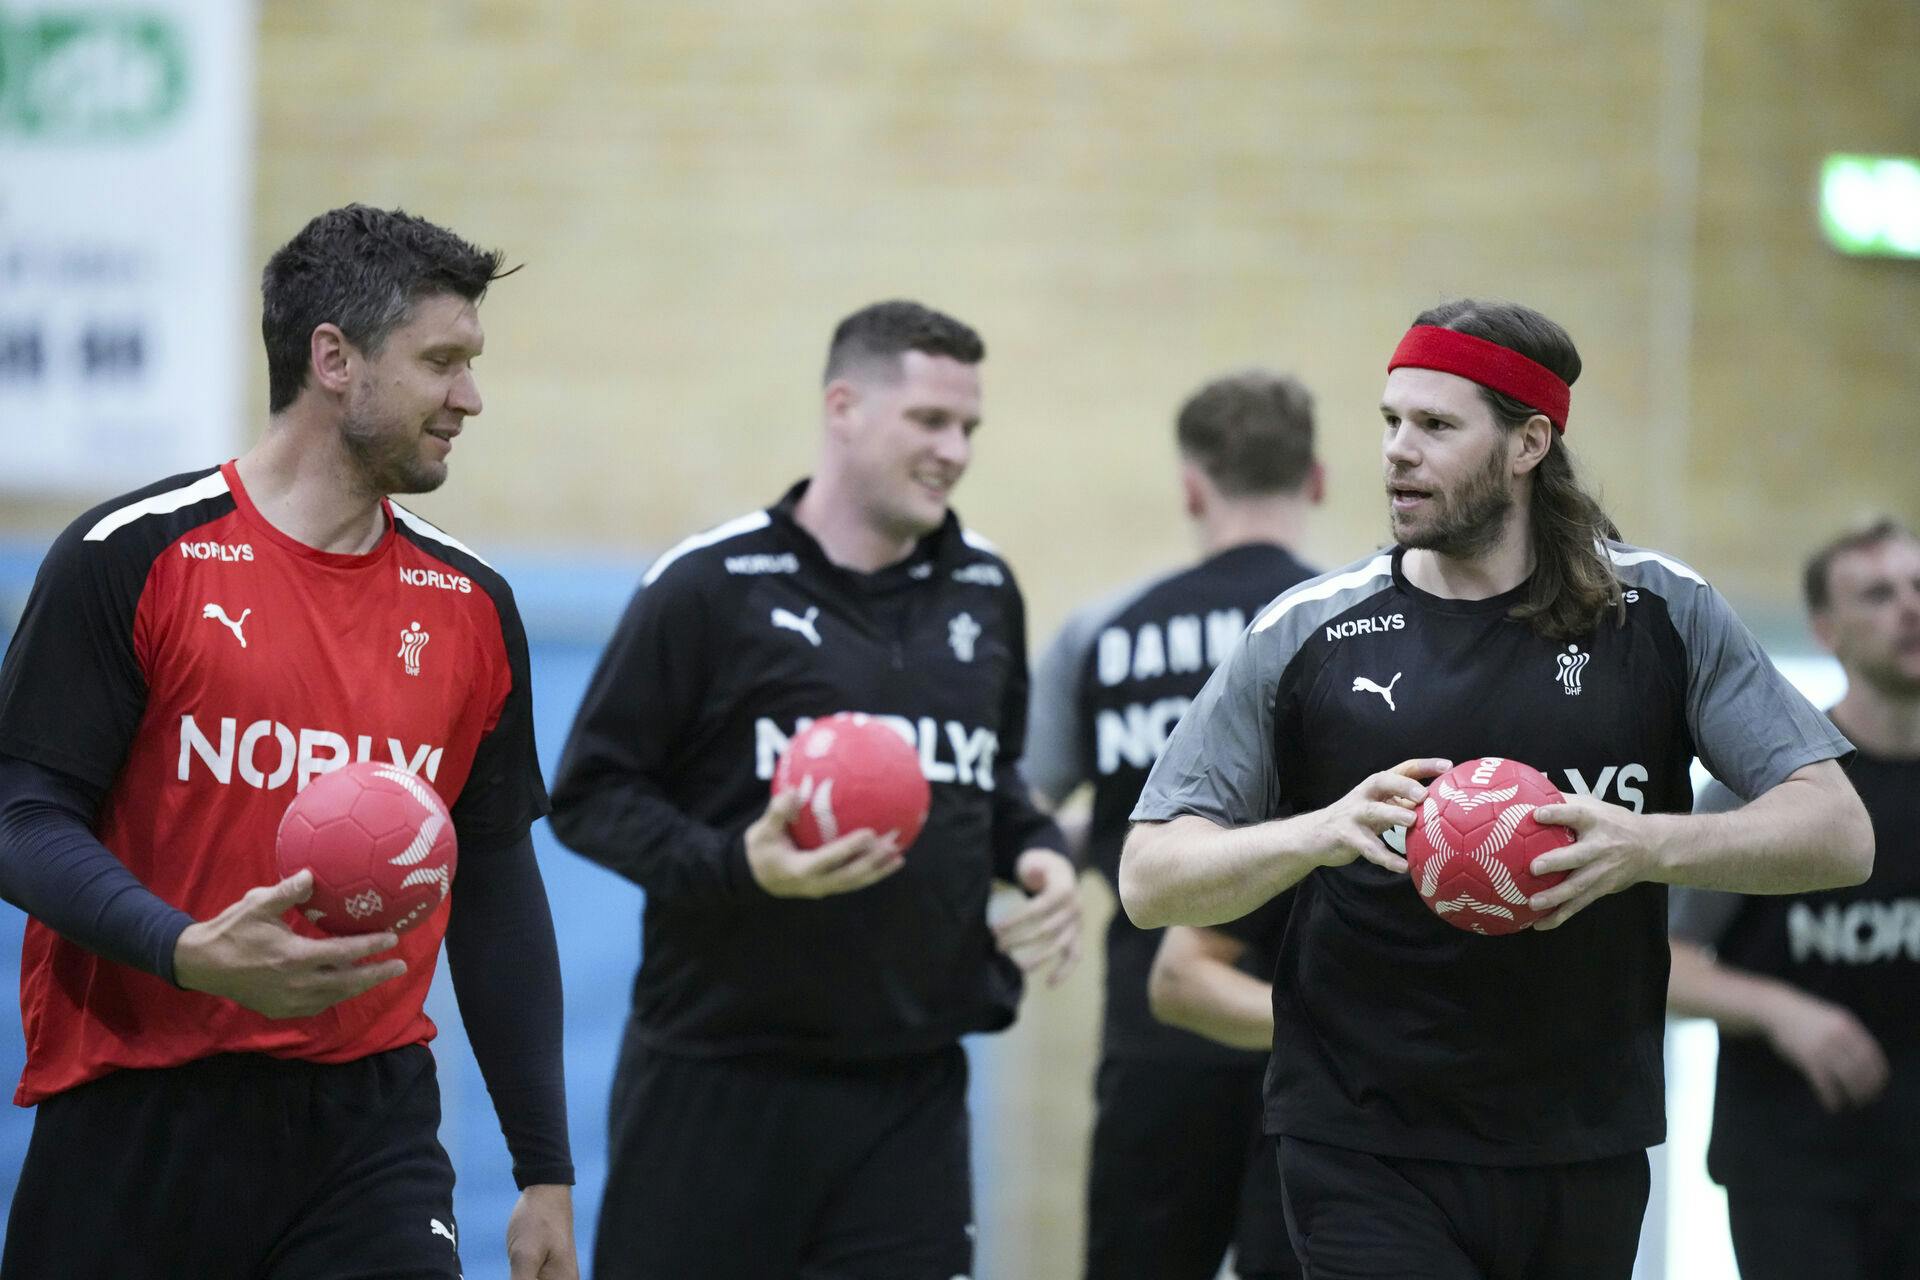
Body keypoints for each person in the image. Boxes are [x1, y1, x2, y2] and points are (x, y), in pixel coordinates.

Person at [1120, 298, 1874, 1280]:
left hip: (1581, 1137)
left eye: (1435, 426)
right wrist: (1320, 830)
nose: (1397, 450)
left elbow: (1837, 827)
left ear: (1528, 442)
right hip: (1362, 1139)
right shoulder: (1306, 633)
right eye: (1390, 421)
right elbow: (1151, 877)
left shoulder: (1660, 614)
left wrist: (1646, 844)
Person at [0, 206, 575, 1278]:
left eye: (473, 362)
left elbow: (493, 878)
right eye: (441, 361)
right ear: (333, 358)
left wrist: (545, 1168)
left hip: (370, 1129)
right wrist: (187, 947)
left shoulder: (473, 606)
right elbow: (22, 817)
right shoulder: (133, 555)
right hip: (136, 1111)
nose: (470, 397)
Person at [549, 299, 1080, 1280]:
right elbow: (589, 793)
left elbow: (988, 774)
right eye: (929, 420)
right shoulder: (710, 584)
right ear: (843, 406)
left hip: (910, 1086)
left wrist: (1039, 845)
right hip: (716, 1080)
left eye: (968, 427)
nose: (955, 450)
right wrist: (732, 865)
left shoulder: (985, 585)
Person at [1025, 369, 1318, 1280]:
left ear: (1192, 486)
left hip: (1155, 1036)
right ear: (1317, 479)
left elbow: (1029, 813)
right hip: (1317, 1037)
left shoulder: (1105, 632)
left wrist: (1090, 850)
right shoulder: (1354, 623)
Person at [1668, 518, 1920, 1280]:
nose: (1909, 607)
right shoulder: (1778, 789)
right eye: (1878, 594)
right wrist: (1784, 1012)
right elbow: (1664, 963)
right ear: (1826, 631)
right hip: (1794, 1176)